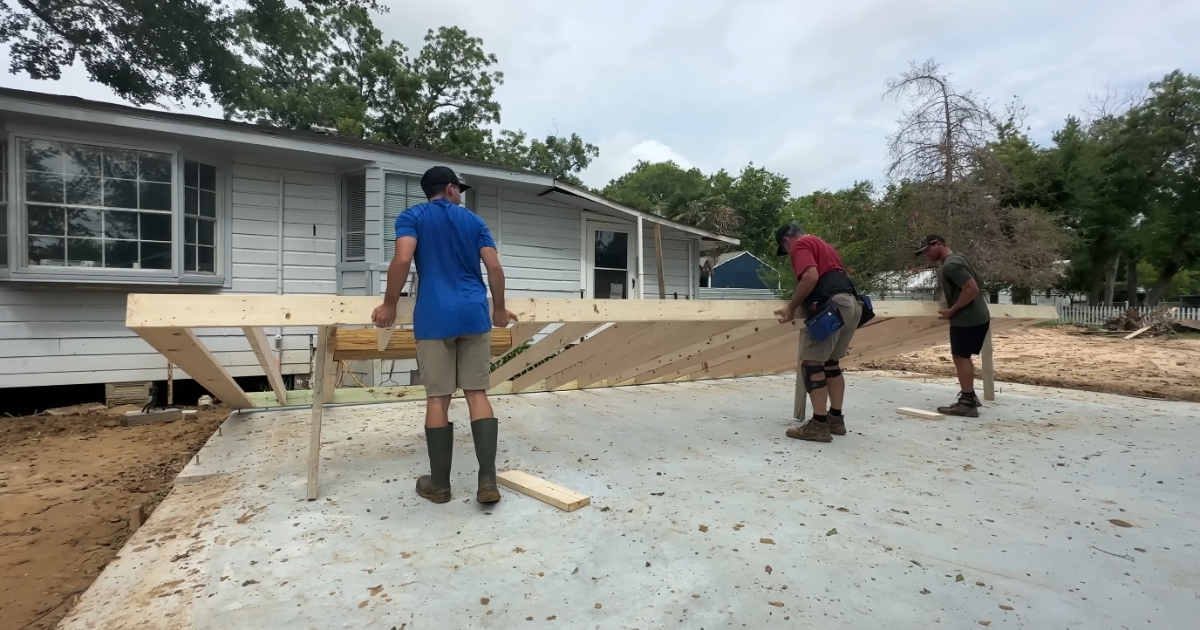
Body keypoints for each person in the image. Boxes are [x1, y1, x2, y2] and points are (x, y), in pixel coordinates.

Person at [372, 166, 516, 504]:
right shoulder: (474, 222)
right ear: (450, 188)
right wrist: (499, 309)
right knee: (477, 393)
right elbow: (494, 267)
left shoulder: (411, 217)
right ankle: (487, 481)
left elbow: (403, 258)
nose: (461, 195)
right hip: (473, 314)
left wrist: (389, 304)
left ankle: (440, 484)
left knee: (438, 398)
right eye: (459, 189)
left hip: (435, 316)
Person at [773, 222, 863, 443]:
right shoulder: (823, 245)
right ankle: (835, 419)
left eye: (784, 250)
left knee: (813, 364)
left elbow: (811, 276)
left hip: (832, 306)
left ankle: (818, 425)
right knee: (831, 363)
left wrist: (792, 307)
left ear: (786, 240)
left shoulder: (800, 244)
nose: (788, 254)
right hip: (853, 303)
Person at [914, 235, 991, 417]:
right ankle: (970, 395)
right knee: (962, 356)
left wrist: (952, 310)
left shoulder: (951, 265)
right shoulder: (959, 258)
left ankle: (966, 403)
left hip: (967, 318)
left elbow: (971, 289)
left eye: (927, 250)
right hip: (976, 316)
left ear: (938, 244)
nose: (926, 254)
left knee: (961, 357)